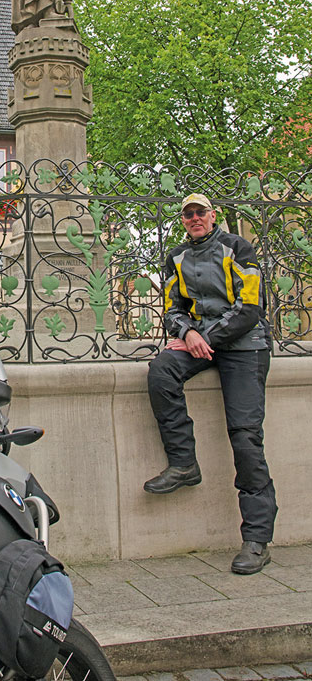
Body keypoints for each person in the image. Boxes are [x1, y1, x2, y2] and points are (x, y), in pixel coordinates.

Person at [144, 193, 277, 575]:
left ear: (212, 215)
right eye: (188, 215)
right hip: (201, 341)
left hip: (244, 345)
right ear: (183, 221)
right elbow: (172, 308)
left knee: (246, 436)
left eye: (200, 212)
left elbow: (251, 307)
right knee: (161, 372)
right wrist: (186, 332)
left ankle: (257, 539)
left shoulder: (238, 247)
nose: (194, 219)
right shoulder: (176, 257)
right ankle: (184, 463)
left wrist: (206, 337)